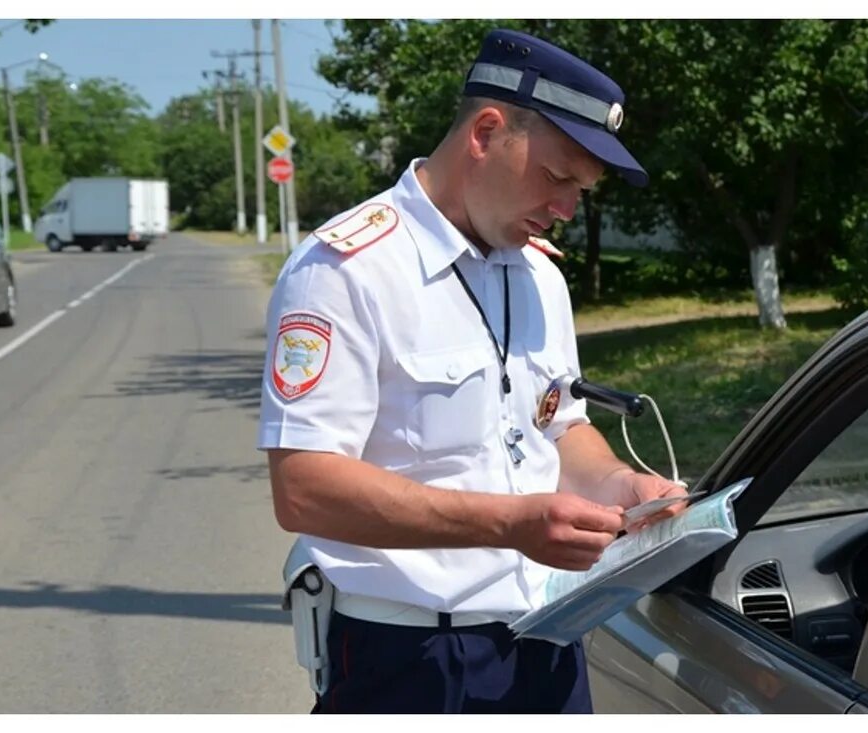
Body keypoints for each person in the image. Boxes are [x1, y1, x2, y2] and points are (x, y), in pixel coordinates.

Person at [257, 29, 687, 714]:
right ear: (487, 131)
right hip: (409, 659)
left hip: (547, 641)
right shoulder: (346, 269)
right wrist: (510, 523)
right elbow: (304, 488)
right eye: (558, 177)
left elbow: (558, 425)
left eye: (583, 189)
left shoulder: (540, 276)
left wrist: (622, 484)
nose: (569, 209)